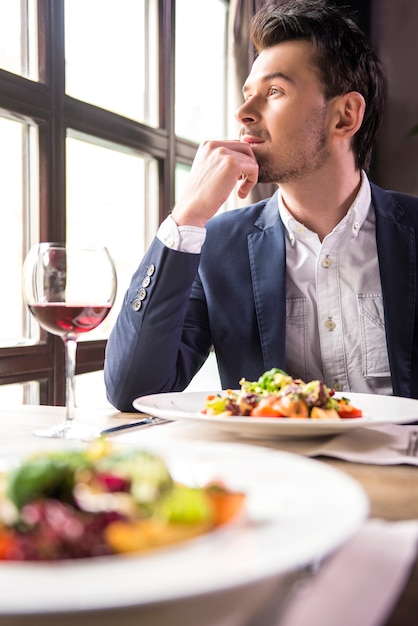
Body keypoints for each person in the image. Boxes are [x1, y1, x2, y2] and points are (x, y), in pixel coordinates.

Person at [105, 0, 418, 412]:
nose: (243, 112)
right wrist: (187, 216)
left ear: (345, 117)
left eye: (274, 91)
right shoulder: (216, 246)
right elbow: (132, 389)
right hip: (270, 474)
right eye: (247, 94)